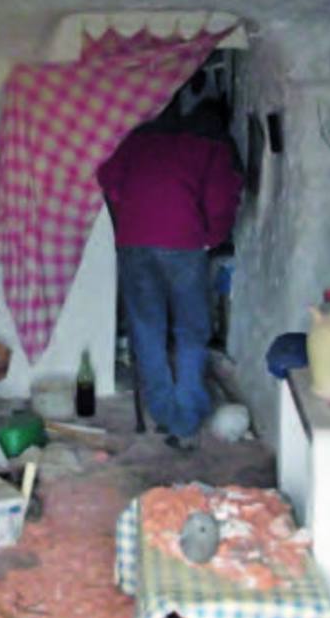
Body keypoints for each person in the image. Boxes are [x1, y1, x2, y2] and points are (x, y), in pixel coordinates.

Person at [97, 97, 243, 450]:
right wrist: (212, 237)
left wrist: (131, 213)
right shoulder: (214, 145)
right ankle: (188, 414)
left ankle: (163, 410)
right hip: (182, 240)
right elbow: (223, 199)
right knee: (191, 326)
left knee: (147, 326)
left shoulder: (138, 138)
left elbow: (108, 178)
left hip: (134, 238)